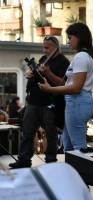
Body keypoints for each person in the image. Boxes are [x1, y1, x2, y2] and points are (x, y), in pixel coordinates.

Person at [9, 36, 70, 169]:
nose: (44, 50)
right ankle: (24, 159)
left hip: (50, 102)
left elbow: (62, 83)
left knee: (50, 133)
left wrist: (47, 72)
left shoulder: (64, 62)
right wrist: (30, 74)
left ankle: (50, 160)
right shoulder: (43, 59)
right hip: (34, 100)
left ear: (56, 47)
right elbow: (37, 76)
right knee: (27, 131)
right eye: (43, 47)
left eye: (47, 48)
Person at [38, 22, 93, 151]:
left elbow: (76, 87)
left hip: (77, 103)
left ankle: (82, 171)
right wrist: (47, 76)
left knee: (78, 148)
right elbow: (66, 84)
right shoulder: (84, 56)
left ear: (79, 37)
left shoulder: (81, 57)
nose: (68, 41)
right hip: (78, 102)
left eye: (70, 38)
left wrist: (49, 89)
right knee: (69, 147)